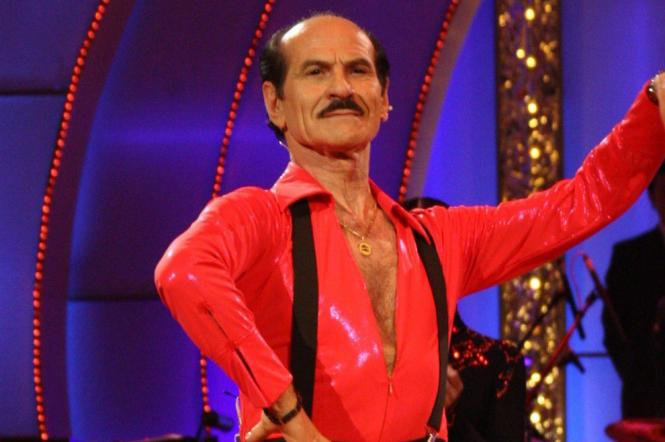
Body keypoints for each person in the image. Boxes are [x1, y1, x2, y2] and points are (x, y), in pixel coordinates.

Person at [154, 13, 665, 442]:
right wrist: (291, 414)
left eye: (358, 70)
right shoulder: (260, 218)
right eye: (315, 72)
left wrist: (652, 108)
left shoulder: (438, 239)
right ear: (275, 104)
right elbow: (183, 273)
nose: (341, 88)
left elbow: (580, 202)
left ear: (384, 100)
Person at [403, 197, 526, 442]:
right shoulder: (364, 355)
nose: (421, 264)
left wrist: (451, 416)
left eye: (431, 249)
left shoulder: (500, 362)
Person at [603, 162, 665, 419]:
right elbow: (613, 328)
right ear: (652, 196)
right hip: (645, 399)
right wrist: (636, 373)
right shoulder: (629, 256)